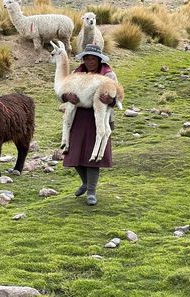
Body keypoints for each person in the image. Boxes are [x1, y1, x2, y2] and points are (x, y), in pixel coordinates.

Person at [61, 44, 118, 206]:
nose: (90, 62)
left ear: (99, 59)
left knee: (93, 157)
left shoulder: (108, 75)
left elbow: (116, 96)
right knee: (74, 153)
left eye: (93, 59)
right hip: (79, 117)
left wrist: (111, 101)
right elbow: (64, 91)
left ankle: (91, 191)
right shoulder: (77, 73)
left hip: (98, 118)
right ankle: (85, 182)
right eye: (87, 58)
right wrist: (66, 97)